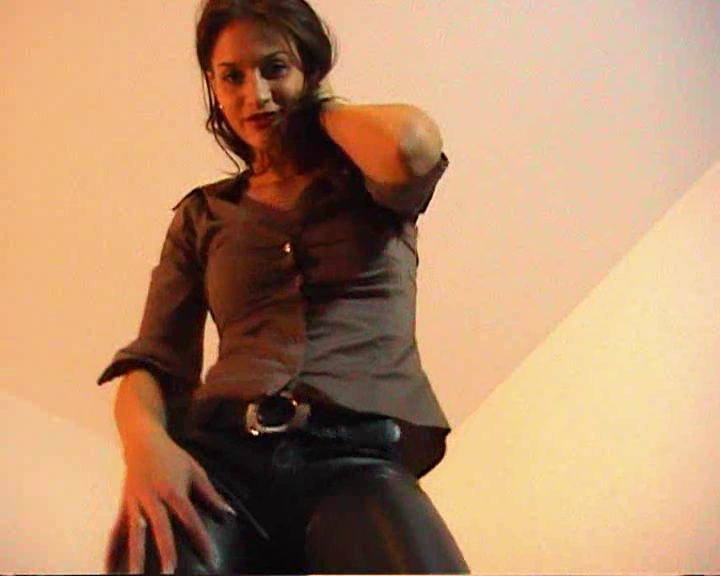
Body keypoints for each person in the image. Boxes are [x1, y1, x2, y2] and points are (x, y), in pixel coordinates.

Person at [98, 0, 468, 573]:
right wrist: (145, 447)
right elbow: (154, 359)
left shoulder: (369, 180)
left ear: (310, 70)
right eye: (232, 76)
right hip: (220, 462)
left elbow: (411, 146)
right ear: (213, 85)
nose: (255, 95)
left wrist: (317, 109)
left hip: (356, 457)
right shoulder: (203, 216)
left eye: (274, 68)